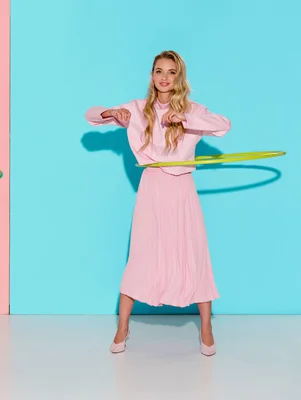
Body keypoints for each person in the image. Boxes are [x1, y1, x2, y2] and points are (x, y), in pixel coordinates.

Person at [84, 50, 231, 356]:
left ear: (179, 77)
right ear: (151, 76)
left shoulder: (192, 109)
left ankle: (206, 327)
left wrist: (186, 117)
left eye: (171, 72)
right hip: (151, 188)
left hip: (182, 190)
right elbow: (91, 116)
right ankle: (122, 327)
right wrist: (113, 113)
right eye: (159, 71)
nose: (164, 77)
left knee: (193, 252)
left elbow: (223, 126)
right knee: (141, 253)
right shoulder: (137, 109)